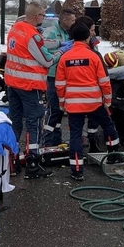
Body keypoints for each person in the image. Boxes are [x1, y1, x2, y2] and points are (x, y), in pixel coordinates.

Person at [55, 20, 121, 180]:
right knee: (108, 127)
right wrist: (107, 101)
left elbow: (59, 84)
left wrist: (62, 103)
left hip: (73, 105)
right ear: (86, 38)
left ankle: (77, 170)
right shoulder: (94, 56)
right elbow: (104, 82)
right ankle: (114, 157)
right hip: (94, 103)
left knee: (75, 136)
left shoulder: (65, 58)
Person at [4, 1, 54, 178]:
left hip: (13, 84)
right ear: (36, 17)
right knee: (34, 123)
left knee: (15, 121)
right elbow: (46, 61)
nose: (44, 18)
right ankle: (33, 163)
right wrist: (59, 53)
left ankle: (10, 161)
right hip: (29, 86)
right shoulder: (33, 35)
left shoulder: (16, 28)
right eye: (43, 15)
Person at [41, 8, 77, 147]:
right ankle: (48, 141)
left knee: (60, 110)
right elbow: (43, 47)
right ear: (65, 20)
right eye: (72, 20)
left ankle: (56, 140)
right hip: (53, 76)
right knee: (54, 109)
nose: (74, 23)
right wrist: (60, 47)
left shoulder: (68, 33)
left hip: (65, 76)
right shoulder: (51, 32)